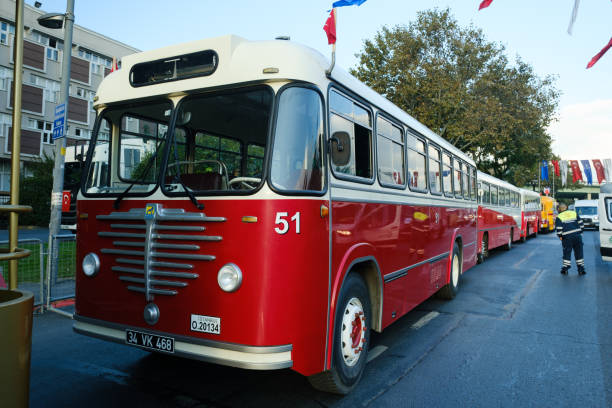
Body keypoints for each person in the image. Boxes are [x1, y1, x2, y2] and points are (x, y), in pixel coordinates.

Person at [555, 202, 585, 275]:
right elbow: (581, 224)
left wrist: (560, 237)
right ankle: (581, 269)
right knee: (579, 252)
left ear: (560, 209)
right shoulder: (574, 213)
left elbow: (559, 229)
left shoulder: (559, 217)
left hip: (567, 238)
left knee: (567, 252)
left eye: (558, 209)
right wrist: (580, 233)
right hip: (577, 236)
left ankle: (565, 268)